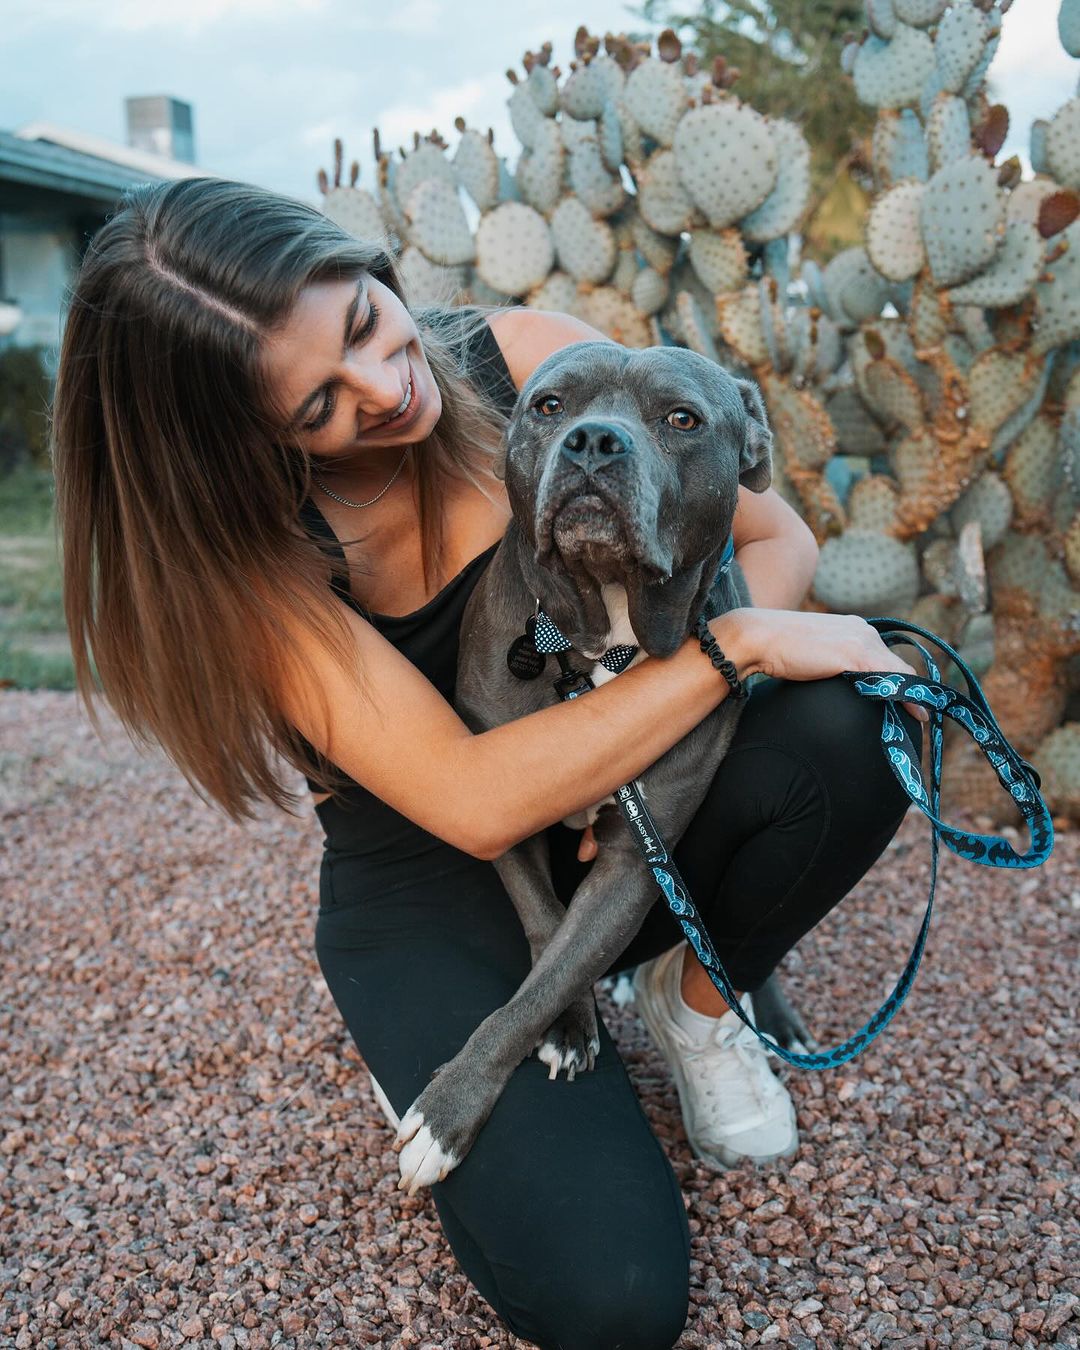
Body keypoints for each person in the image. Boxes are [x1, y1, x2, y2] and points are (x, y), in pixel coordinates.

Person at [52, 176, 928, 1350]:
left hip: (623, 802)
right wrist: (739, 646)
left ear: (367, 264)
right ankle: (450, 1015)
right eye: (318, 402)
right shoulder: (256, 565)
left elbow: (781, 537)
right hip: (433, 866)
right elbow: (471, 802)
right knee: (610, 1299)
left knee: (857, 725)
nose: (385, 385)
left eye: (365, 323)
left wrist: (665, 692)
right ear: (245, 439)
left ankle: (693, 999)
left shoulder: (535, 367)